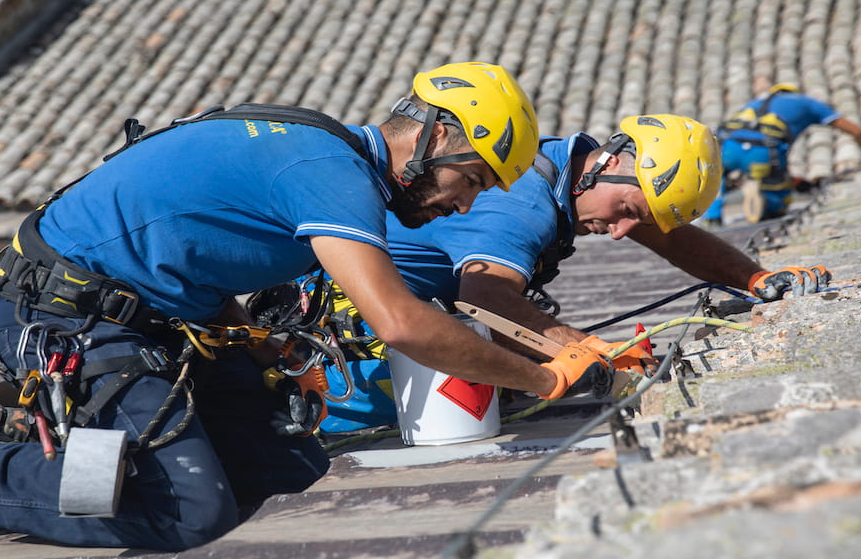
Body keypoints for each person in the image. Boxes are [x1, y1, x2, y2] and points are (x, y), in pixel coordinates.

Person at [0, 61, 637, 555]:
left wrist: (254, 348)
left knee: (283, 464)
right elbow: (399, 321)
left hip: (149, 318)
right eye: (467, 180)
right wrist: (542, 380)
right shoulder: (329, 172)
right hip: (64, 316)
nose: (459, 204)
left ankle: (59, 444)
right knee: (186, 511)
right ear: (434, 138)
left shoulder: (330, 160)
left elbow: (199, 246)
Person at [308, 114, 834, 433]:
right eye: (628, 208)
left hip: (414, 342)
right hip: (351, 363)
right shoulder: (525, 202)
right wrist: (587, 350)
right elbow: (485, 295)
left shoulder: (569, 172)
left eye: (639, 220)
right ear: (609, 162)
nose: (623, 232)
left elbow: (671, 236)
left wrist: (754, 279)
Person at [702, 83, 861, 225]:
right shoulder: (807, 103)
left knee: (717, 181)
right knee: (777, 202)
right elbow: (857, 132)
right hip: (765, 151)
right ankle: (767, 202)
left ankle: (713, 218)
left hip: (727, 147)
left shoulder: (754, 103)